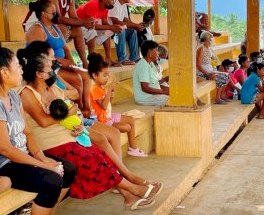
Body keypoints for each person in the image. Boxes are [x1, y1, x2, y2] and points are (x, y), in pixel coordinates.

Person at [17, 50, 163, 210]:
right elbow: (44, 122)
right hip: (51, 145)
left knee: (98, 154)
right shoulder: (26, 93)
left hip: (69, 138)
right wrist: (68, 113)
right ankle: (133, 189)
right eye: (49, 69)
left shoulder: (51, 88)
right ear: (39, 74)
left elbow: (71, 105)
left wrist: (78, 124)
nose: (53, 71)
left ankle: (129, 196)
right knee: (91, 159)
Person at [0, 37, 76, 215]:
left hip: (24, 155)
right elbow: (5, 149)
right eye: (17, 67)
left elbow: (28, 132)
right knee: (52, 180)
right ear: (4, 73)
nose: (22, 70)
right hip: (5, 164)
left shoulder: (13, 95)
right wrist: (42, 165)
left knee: (68, 169)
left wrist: (41, 157)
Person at [25, 0, 92, 117]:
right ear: (44, 14)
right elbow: (39, 56)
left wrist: (71, 63)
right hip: (49, 66)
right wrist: (60, 61)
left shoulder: (55, 27)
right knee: (77, 78)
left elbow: (65, 48)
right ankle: (79, 110)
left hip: (61, 64)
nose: (56, 15)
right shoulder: (37, 29)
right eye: (53, 12)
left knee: (86, 74)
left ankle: (87, 109)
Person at [88, 52, 148, 157]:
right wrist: (109, 89)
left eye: (108, 75)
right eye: (105, 75)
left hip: (108, 116)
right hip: (102, 121)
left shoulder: (101, 87)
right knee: (126, 127)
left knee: (130, 120)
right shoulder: (94, 89)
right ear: (94, 75)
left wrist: (110, 95)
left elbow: (108, 105)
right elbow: (103, 106)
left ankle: (133, 148)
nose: (107, 77)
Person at [23, 0, 93, 68]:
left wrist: (86, 22)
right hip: (35, 26)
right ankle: (57, 63)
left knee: (77, 30)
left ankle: (85, 64)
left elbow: (74, 18)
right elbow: (58, 19)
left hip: (51, 25)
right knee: (61, 27)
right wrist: (84, 22)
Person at [76, 0, 124, 66]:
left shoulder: (105, 8)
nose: (113, 2)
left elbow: (105, 23)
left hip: (89, 27)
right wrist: (111, 27)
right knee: (93, 32)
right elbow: (90, 25)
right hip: (78, 26)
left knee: (108, 31)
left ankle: (108, 59)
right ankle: (93, 62)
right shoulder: (93, 4)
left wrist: (113, 27)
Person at [108, 0, 144, 65]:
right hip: (110, 31)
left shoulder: (123, 4)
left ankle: (134, 57)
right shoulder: (115, 3)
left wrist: (136, 26)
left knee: (133, 31)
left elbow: (125, 19)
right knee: (121, 29)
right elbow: (116, 21)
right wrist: (135, 25)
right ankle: (122, 59)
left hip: (118, 30)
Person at [196, 31, 230, 104]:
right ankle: (217, 98)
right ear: (206, 40)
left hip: (209, 69)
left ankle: (221, 96)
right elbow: (198, 65)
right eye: (211, 39)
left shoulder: (208, 48)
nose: (212, 40)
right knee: (222, 77)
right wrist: (208, 74)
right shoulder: (201, 48)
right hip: (202, 72)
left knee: (226, 76)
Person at [133, 40, 169, 106]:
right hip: (145, 98)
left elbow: (154, 84)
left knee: (175, 95)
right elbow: (145, 88)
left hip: (153, 95)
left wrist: (167, 89)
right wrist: (163, 91)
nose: (158, 54)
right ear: (150, 52)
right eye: (156, 50)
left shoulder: (151, 64)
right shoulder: (143, 65)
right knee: (171, 100)